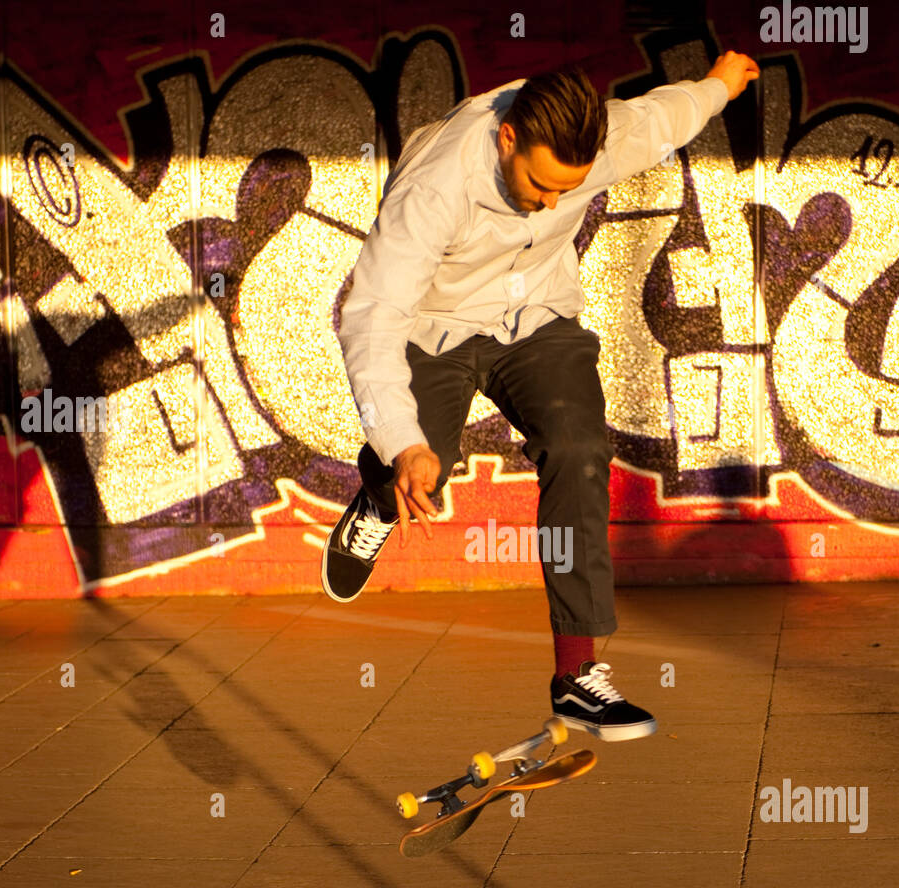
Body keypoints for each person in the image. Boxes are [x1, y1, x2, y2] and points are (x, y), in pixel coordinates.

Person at [325, 50, 760, 741]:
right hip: (435, 329)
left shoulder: (596, 144)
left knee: (581, 447)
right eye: (540, 185)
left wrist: (719, 85)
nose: (554, 204)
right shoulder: (438, 186)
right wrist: (403, 444)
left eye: (569, 190)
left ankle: (576, 677)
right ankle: (374, 500)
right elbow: (371, 315)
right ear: (506, 139)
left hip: (537, 324)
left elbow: (661, 118)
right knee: (418, 464)